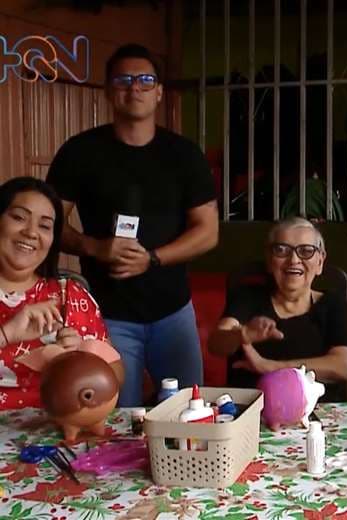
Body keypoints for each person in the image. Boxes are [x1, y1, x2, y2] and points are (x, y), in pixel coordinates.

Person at [46, 44, 219, 406]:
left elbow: (207, 232)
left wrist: (152, 258)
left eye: (145, 80)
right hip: (107, 315)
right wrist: (94, 247)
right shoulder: (80, 152)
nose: (135, 87)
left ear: (159, 92)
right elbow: (48, 222)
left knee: (189, 414)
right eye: (123, 80)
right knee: (114, 416)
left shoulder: (183, 154)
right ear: (109, 91)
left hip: (173, 311)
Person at [0, 177, 117, 409]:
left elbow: (116, 375)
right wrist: (7, 333)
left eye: (44, 226)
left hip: (55, 425)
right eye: (19, 217)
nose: (31, 233)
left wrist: (82, 358)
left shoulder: (70, 295)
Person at [208, 217, 347, 401]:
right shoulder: (248, 297)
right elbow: (216, 344)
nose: (294, 260)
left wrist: (271, 367)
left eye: (306, 251)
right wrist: (242, 334)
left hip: (318, 411)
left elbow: (342, 366)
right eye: (282, 250)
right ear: (270, 260)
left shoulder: (334, 304)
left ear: (320, 261)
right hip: (254, 408)